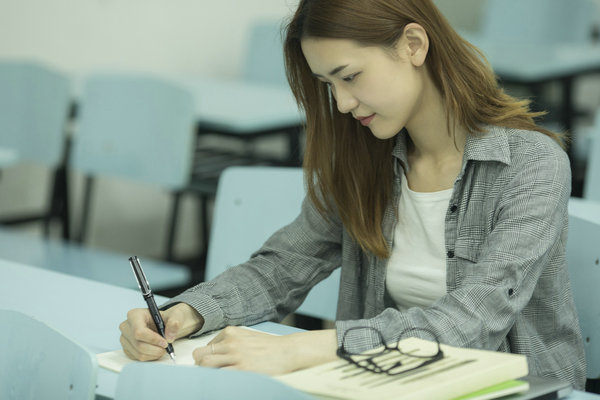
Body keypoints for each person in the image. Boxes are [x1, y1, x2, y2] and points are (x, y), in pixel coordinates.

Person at [119, 0, 586, 389]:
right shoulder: (366, 159)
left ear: (414, 45)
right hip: (386, 384)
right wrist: (184, 315)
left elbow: (473, 322)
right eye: (328, 85)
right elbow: (281, 269)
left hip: (515, 391)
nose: (341, 103)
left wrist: (308, 347)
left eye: (350, 76)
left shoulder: (532, 165)